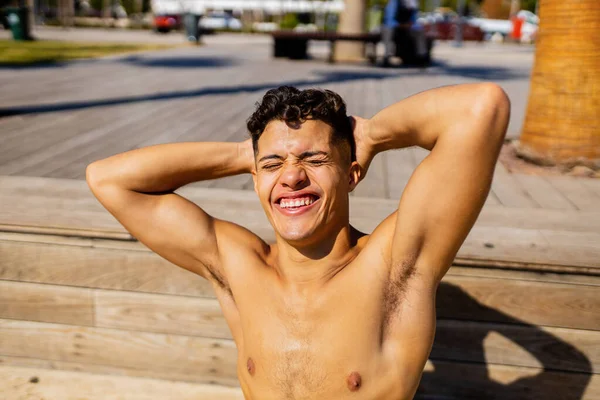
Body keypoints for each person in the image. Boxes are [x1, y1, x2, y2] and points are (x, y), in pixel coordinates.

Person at [86, 83, 510, 399]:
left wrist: (375, 134)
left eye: (314, 159)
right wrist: (245, 155)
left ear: (351, 174)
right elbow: (108, 180)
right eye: (273, 165)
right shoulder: (238, 265)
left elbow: (480, 108)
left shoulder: (396, 265)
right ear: (255, 180)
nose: (291, 177)